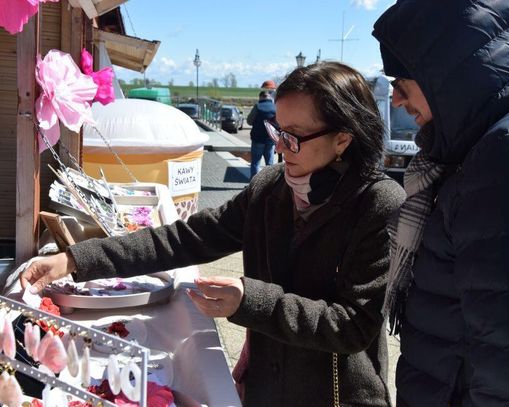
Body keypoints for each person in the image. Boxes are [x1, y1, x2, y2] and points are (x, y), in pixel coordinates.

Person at [20, 61, 406, 406]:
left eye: (294, 137)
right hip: (265, 391)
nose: (280, 147)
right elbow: (184, 239)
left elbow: (353, 325)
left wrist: (249, 300)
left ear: (342, 139)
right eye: (277, 131)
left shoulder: (378, 203)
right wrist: (75, 259)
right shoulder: (270, 188)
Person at [372, 1, 509, 406]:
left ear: (446, 74)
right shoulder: (482, 143)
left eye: (402, 80)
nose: (396, 99)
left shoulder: (505, 158)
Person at [246, 90, 277, 178]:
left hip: (258, 139)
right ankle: (269, 183)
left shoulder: (258, 106)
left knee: (255, 163)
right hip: (271, 139)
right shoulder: (275, 107)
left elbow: (249, 121)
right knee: (270, 164)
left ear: (260, 97)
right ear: (269, 97)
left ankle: (254, 183)